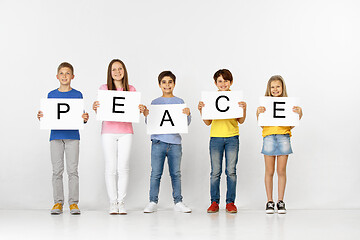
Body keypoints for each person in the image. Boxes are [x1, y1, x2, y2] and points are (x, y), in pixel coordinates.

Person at [37, 62, 89, 215]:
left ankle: (73, 203)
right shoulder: (51, 95)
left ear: (72, 76)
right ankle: (58, 203)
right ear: (57, 76)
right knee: (57, 171)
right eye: (62, 73)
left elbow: (81, 116)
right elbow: (49, 115)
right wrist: (41, 116)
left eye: (67, 73)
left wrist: (85, 118)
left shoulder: (77, 94)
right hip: (56, 136)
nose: (64, 76)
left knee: (73, 170)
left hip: (72, 136)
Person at [93, 59, 142, 215]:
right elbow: (101, 110)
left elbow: (133, 111)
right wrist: (96, 108)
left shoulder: (131, 89)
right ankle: (112, 202)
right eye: (114, 69)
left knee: (123, 167)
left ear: (124, 71)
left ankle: (121, 201)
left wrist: (139, 109)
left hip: (126, 132)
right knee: (111, 167)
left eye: (120, 68)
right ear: (110, 72)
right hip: (108, 131)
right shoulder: (104, 88)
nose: (117, 72)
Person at [140, 71, 192, 213]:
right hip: (158, 142)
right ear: (159, 84)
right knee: (156, 173)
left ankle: (178, 201)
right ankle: (152, 201)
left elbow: (185, 123)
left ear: (174, 84)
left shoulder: (180, 102)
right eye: (164, 82)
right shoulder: (155, 103)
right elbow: (150, 123)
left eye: (170, 82)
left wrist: (187, 114)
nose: (167, 85)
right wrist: (146, 115)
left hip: (175, 143)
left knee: (176, 173)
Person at [198, 69, 246, 213]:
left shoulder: (235, 97)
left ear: (231, 82)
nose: (223, 84)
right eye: (220, 81)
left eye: (226, 81)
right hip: (216, 138)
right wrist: (202, 110)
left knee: (231, 171)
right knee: (215, 172)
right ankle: (214, 202)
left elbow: (241, 121)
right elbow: (207, 122)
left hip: (232, 137)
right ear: (215, 83)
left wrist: (244, 108)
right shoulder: (211, 98)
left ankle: (230, 202)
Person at [256, 75, 303, 214]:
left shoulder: (288, 104)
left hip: (284, 137)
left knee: (281, 171)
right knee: (269, 171)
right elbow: (261, 124)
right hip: (269, 137)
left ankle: (280, 201)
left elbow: (292, 123)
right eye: (272, 87)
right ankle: (269, 201)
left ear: (282, 88)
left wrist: (299, 114)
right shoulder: (265, 104)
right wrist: (258, 113)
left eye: (278, 86)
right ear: (268, 89)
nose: (275, 89)